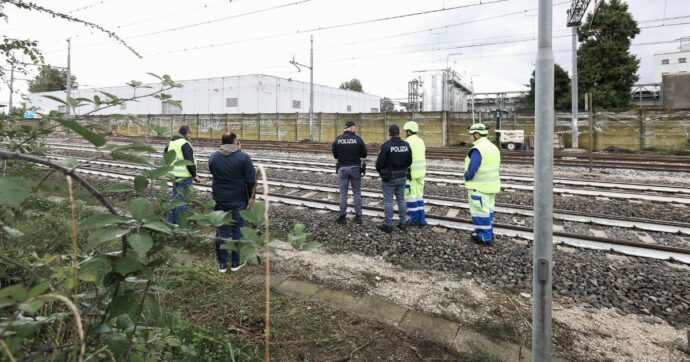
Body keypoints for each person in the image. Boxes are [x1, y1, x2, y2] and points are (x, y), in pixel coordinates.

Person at [208, 132, 256, 273]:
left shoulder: (213, 156)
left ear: (222, 142)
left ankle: (222, 264)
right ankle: (236, 262)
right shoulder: (243, 157)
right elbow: (251, 180)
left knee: (221, 229)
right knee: (237, 229)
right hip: (238, 198)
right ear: (235, 142)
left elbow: (213, 172)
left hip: (219, 198)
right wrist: (251, 197)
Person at [463, 123, 501, 245]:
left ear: (477, 134)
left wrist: (467, 176)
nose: (472, 137)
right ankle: (489, 233)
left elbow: (472, 169)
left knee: (480, 213)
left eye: (473, 135)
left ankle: (484, 238)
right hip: (491, 186)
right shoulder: (493, 147)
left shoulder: (478, 149)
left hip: (479, 187)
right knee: (488, 212)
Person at [375, 124, 412, 233]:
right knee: (401, 199)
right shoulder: (406, 145)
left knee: (388, 201)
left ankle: (388, 224)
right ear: (399, 133)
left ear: (389, 133)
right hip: (403, 176)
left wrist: (382, 171)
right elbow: (409, 161)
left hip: (390, 177)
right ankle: (402, 223)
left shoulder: (386, 146)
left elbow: (379, 164)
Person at [332, 120, 367, 225]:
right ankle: (358, 217)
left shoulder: (338, 140)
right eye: (355, 128)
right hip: (355, 168)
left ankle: (342, 217)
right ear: (351, 128)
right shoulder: (358, 139)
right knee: (357, 192)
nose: (355, 130)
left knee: (343, 193)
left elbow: (335, 156)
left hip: (343, 168)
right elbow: (364, 154)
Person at [164, 125, 200, 225]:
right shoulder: (185, 144)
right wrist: (194, 175)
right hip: (184, 176)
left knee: (175, 200)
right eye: (190, 133)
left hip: (174, 175)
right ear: (187, 133)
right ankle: (181, 226)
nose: (191, 136)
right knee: (181, 202)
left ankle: (170, 223)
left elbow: (165, 153)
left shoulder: (172, 142)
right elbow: (189, 161)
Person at [403, 121, 427, 227]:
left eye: (405, 131)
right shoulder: (421, 141)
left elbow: (404, 159)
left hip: (410, 174)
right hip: (421, 173)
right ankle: (422, 220)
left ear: (408, 131)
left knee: (411, 197)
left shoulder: (407, 142)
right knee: (419, 196)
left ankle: (414, 220)